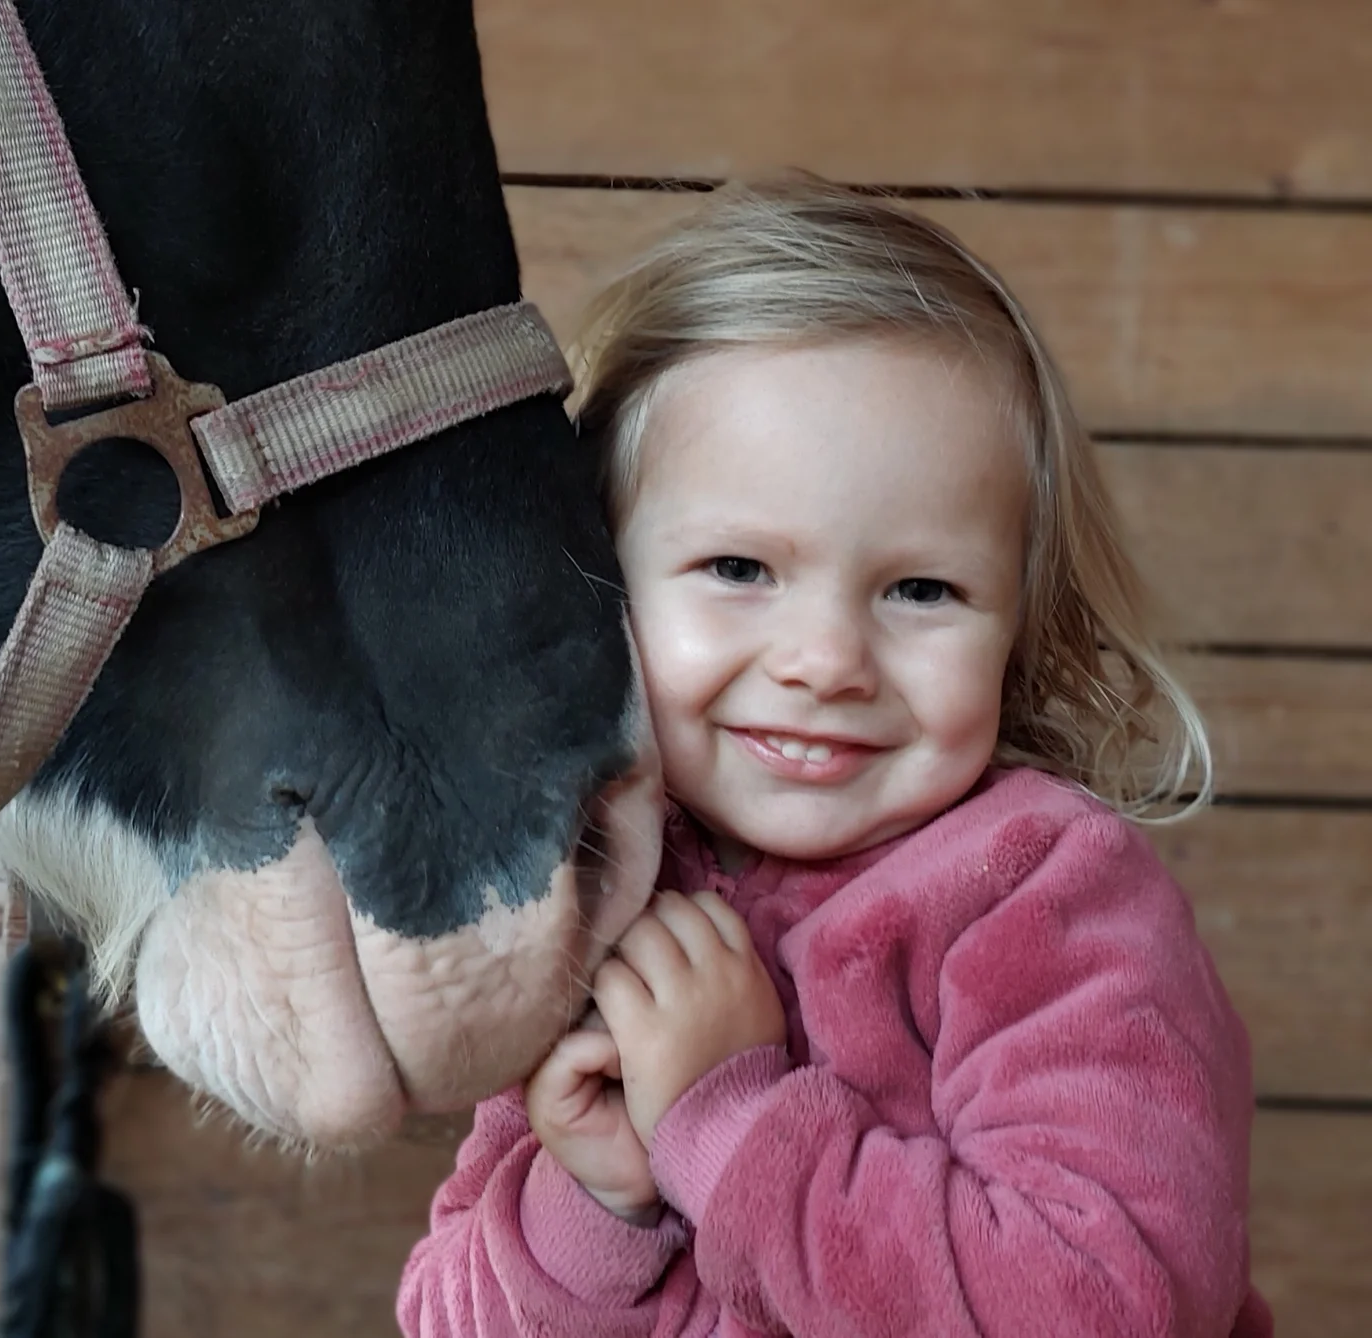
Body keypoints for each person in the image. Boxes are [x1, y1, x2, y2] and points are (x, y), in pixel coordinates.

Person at [397, 179, 1270, 1338]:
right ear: (602, 586)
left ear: (1021, 626)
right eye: (739, 570)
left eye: (920, 589)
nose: (824, 660)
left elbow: (1113, 1306)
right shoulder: (597, 893)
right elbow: (443, 1317)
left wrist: (731, 1124)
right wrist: (597, 1204)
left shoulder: (1042, 902)